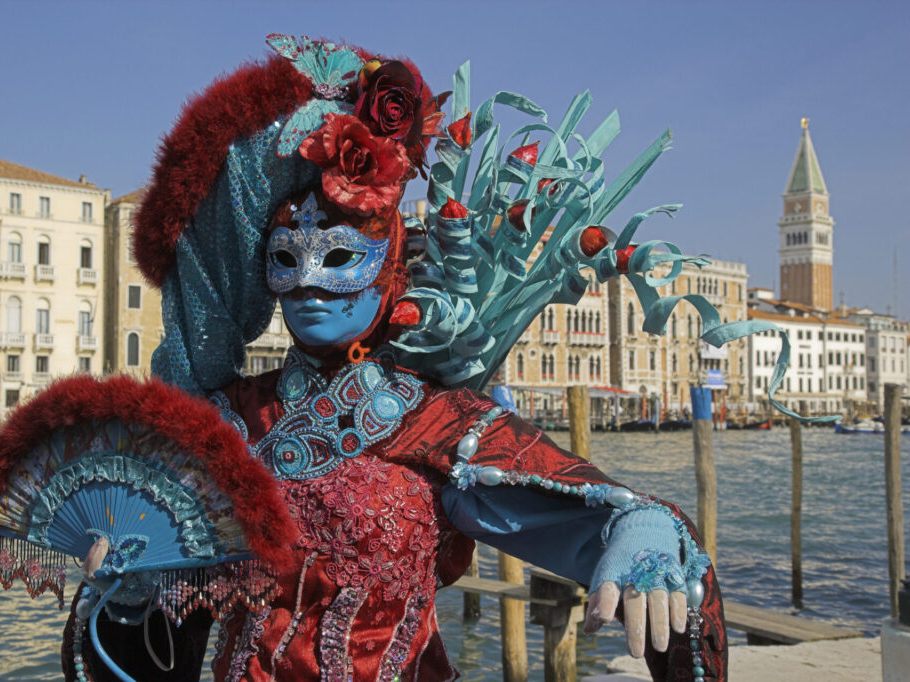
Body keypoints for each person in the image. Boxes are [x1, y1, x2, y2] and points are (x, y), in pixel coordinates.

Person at [59, 35, 726, 681]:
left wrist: (641, 533)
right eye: (287, 262)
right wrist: (130, 595)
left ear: (386, 269)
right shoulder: (226, 423)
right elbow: (161, 629)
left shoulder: (433, 420)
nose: (311, 284)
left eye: (340, 259)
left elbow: (589, 514)